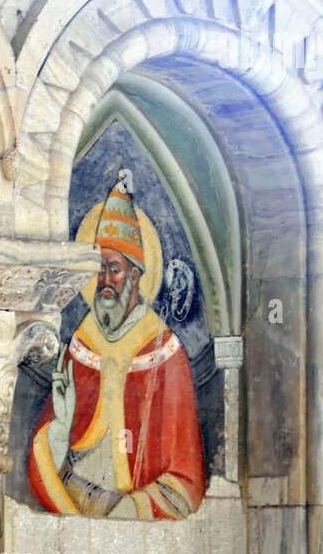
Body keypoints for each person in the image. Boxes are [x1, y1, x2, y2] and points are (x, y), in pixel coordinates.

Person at [28, 172, 205, 519]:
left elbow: (185, 478)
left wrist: (131, 508)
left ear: (137, 275)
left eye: (114, 269)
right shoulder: (79, 347)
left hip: (133, 507)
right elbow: (46, 459)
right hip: (77, 497)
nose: (104, 282)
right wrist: (61, 430)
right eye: (97, 270)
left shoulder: (165, 352)